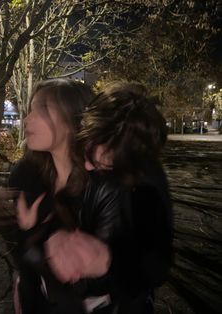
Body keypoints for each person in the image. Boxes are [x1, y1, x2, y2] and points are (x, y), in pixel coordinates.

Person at [9, 78, 130, 314]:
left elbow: (124, 273)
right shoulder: (26, 175)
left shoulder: (107, 186)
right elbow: (23, 251)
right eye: (30, 109)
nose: (27, 119)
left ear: (73, 120)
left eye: (42, 110)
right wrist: (26, 286)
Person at [77, 81, 174, 313]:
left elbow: (156, 268)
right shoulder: (106, 168)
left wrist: (107, 264)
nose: (87, 165)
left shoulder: (146, 189)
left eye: (101, 160)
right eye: (87, 144)